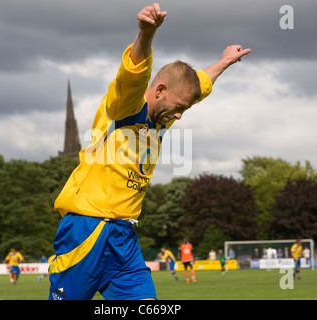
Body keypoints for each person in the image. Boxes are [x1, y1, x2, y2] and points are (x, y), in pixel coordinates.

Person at [47, 3, 251, 300]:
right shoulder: (124, 106)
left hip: (124, 236)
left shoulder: (162, 117)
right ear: (159, 90)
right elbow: (134, 73)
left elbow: (199, 85)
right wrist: (145, 34)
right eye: (179, 108)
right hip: (88, 228)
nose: (180, 116)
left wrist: (223, 62)